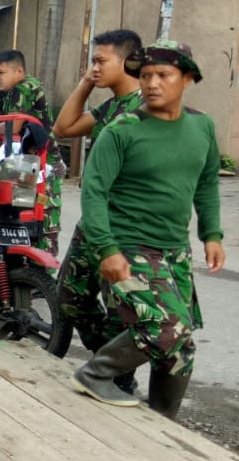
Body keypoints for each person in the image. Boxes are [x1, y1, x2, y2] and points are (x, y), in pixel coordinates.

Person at [69, 42, 224, 419]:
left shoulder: (202, 127)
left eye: (163, 75)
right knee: (165, 326)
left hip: (174, 249)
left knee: (181, 348)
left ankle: (162, 423)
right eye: (146, 75)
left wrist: (212, 234)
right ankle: (95, 372)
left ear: (187, 79)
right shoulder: (123, 130)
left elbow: (206, 184)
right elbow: (93, 191)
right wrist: (107, 250)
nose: (152, 83)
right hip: (127, 243)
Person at [54, 29, 144, 365]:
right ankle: (105, 360)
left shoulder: (145, 106)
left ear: (127, 61)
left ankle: (114, 372)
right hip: (94, 217)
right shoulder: (112, 107)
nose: (96, 67)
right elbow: (63, 129)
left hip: (123, 223)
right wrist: (86, 84)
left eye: (101, 61)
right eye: (93, 61)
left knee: (119, 303)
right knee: (69, 295)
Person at [0, 50, 62, 253]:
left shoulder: (26, 87)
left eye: (1, 73)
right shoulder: (7, 90)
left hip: (46, 163)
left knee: (44, 220)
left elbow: (14, 125)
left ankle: (45, 274)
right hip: (24, 162)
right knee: (10, 212)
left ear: (19, 71)